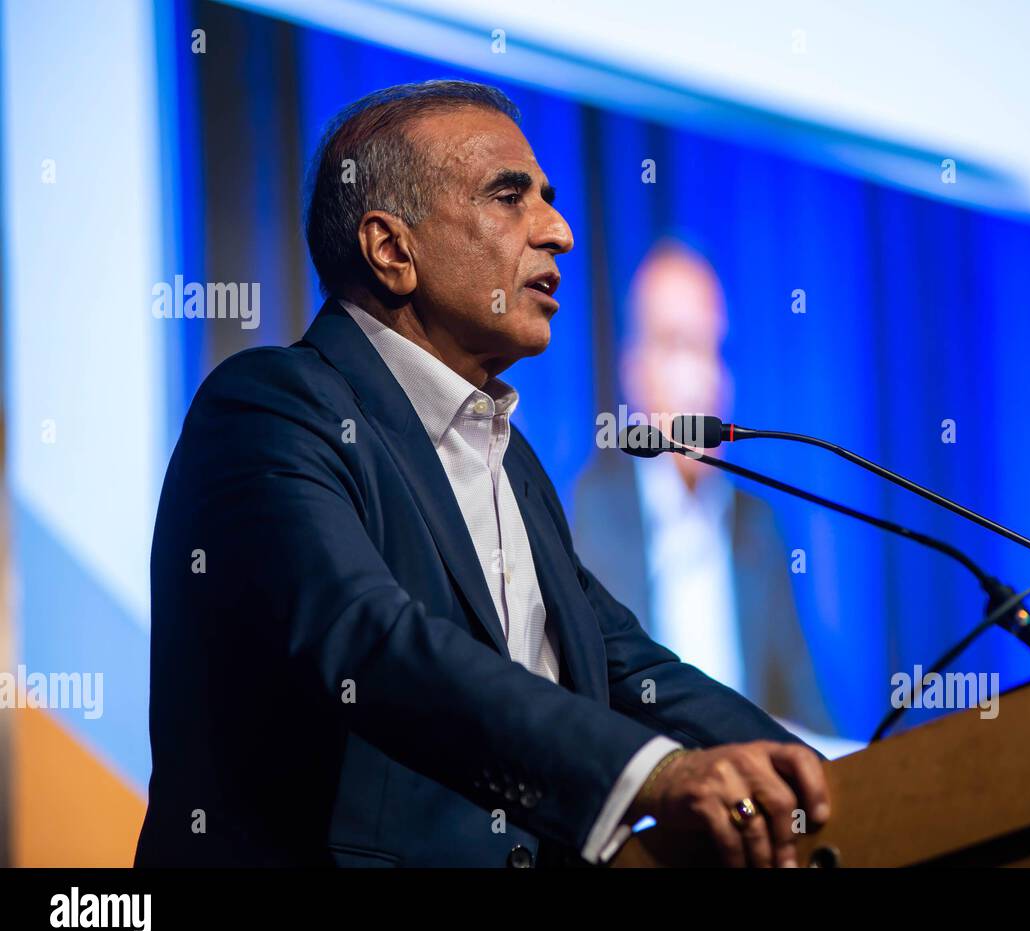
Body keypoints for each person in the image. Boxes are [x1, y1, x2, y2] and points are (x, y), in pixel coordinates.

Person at [134, 80, 828, 869]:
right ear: (392, 249)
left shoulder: (515, 462)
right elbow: (375, 646)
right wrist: (653, 774)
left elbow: (629, 667)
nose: (559, 232)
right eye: (510, 196)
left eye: (549, 198)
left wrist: (829, 782)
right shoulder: (271, 408)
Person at [574, 240, 836, 737]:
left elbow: (806, 708)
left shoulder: (756, 525)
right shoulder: (589, 512)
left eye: (716, 351)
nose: (704, 379)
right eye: (678, 347)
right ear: (634, 371)